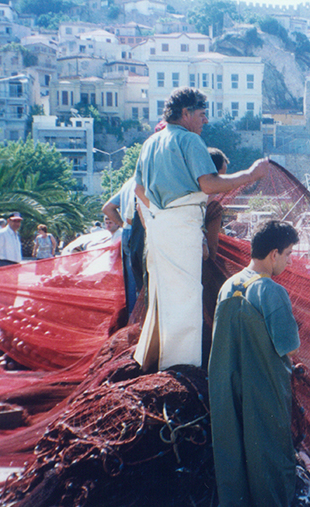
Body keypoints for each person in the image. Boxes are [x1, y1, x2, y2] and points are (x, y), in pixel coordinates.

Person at [132, 87, 269, 372]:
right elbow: (209, 184)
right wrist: (250, 174)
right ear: (186, 114)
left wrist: (158, 214)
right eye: (202, 114)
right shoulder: (190, 141)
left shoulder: (150, 143)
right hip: (182, 224)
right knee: (186, 296)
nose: (205, 121)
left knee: (161, 295)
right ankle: (181, 367)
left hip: (158, 226)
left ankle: (152, 359)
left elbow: (139, 190)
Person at [208, 220, 300, 507]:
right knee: (269, 452)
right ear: (273, 254)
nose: (288, 262)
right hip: (263, 386)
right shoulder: (272, 291)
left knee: (230, 448)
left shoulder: (227, 286)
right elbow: (287, 345)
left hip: (224, 384)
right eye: (288, 255)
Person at [103, 175, 144, 315]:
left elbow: (108, 208)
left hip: (127, 232)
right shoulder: (145, 179)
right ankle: (140, 320)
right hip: (139, 231)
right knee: (143, 281)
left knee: (131, 283)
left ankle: (131, 319)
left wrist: (123, 225)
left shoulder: (128, 183)